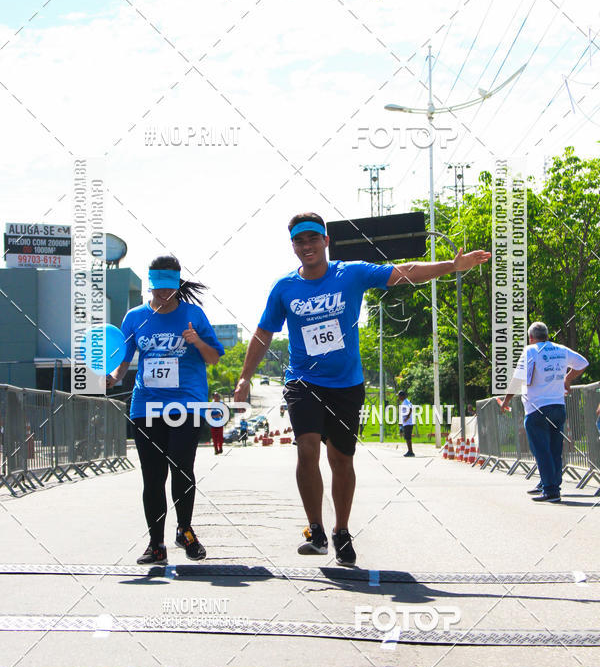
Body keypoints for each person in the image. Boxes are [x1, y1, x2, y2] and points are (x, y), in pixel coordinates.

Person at [234, 212, 490, 566]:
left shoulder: (350, 273)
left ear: (326, 241)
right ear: (293, 246)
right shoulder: (284, 288)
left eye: (313, 239)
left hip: (346, 384)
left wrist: (452, 266)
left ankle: (341, 530)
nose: (307, 246)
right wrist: (245, 376)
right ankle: (316, 530)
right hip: (302, 382)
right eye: (299, 241)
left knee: (341, 458)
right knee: (307, 449)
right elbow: (264, 333)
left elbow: (405, 272)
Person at [107, 255, 224, 564]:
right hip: (146, 405)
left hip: (186, 403)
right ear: (151, 284)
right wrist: (113, 377)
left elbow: (213, 358)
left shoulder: (193, 315)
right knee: (153, 476)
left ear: (177, 285)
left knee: (182, 469)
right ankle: (156, 544)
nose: (163, 294)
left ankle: (184, 530)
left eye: (169, 288)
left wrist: (197, 341)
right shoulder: (134, 317)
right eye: (158, 287)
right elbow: (123, 361)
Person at [500, 321, 588, 503]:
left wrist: (506, 401)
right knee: (554, 449)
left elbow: (517, 379)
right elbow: (582, 363)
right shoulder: (560, 349)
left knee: (541, 450)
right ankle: (550, 483)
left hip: (536, 409)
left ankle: (551, 490)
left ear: (531, 338)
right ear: (547, 335)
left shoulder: (530, 351)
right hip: (558, 406)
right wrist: (567, 378)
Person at [398, 390, 414, 456]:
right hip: (406, 423)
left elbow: (410, 409)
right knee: (407, 437)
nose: (398, 398)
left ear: (402, 396)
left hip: (408, 423)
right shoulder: (405, 402)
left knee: (408, 438)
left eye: (399, 396)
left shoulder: (406, 402)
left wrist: (407, 417)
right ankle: (409, 451)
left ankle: (410, 452)